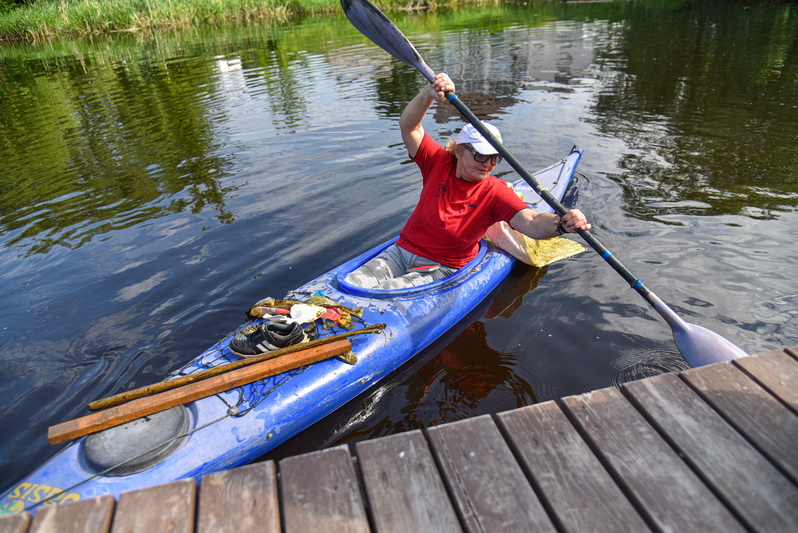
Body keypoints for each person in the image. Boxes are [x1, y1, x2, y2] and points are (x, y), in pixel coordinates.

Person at [345, 73, 591, 290]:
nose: (489, 164)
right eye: (481, 155)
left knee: (384, 295)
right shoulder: (438, 162)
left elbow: (531, 221)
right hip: (399, 252)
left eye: (495, 157)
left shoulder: (493, 191)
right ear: (460, 151)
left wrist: (562, 224)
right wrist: (428, 94)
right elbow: (409, 126)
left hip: (441, 268)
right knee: (349, 285)